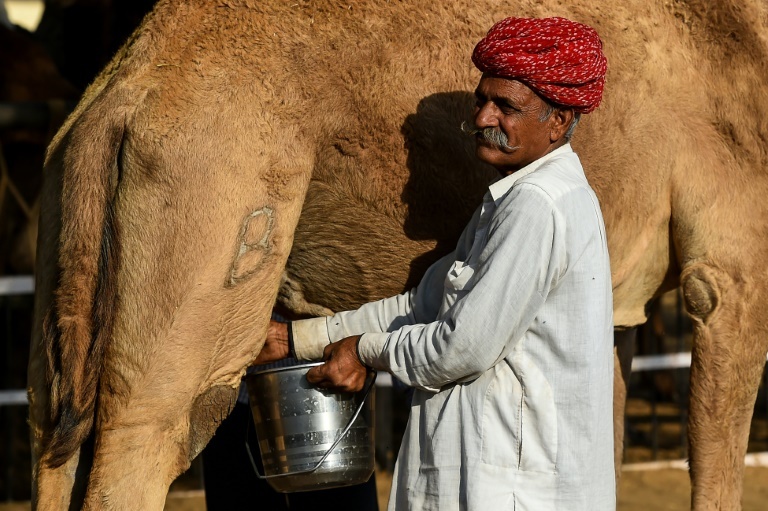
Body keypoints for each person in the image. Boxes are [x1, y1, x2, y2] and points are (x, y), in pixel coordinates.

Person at [256, 16, 614, 510]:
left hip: (511, 489)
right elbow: (423, 303)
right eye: (482, 100)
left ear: (558, 121)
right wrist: (296, 340)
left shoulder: (538, 205)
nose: (485, 118)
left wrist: (364, 351)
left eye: (506, 106)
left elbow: (460, 347)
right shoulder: (507, 202)